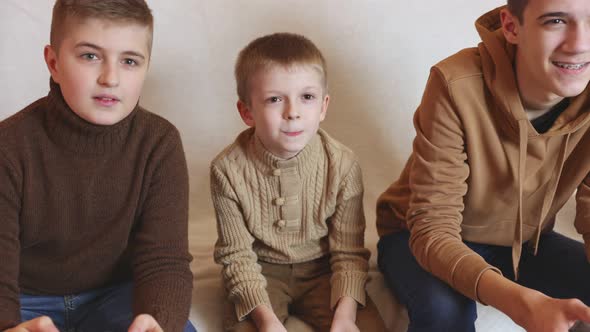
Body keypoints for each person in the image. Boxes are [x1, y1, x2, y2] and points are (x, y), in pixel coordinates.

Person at [376, 0, 590, 331]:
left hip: (524, 242)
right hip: (419, 236)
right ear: (511, 27)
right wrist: (521, 303)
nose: (579, 44)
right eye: (556, 21)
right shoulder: (455, 83)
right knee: (446, 314)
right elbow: (432, 230)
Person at [0, 1, 195, 331]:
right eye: (90, 56)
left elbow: (165, 259)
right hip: (26, 297)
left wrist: (158, 320)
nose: (110, 78)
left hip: (115, 294)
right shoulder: (9, 146)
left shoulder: (159, 143)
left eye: (130, 61)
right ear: (54, 62)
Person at [210, 32, 386, 332]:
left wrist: (345, 315)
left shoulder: (342, 165)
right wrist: (266, 320)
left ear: (323, 106)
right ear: (247, 112)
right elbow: (236, 256)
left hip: (324, 269)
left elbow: (348, 251)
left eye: (307, 97)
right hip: (260, 269)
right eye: (275, 99)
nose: (293, 113)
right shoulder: (227, 170)